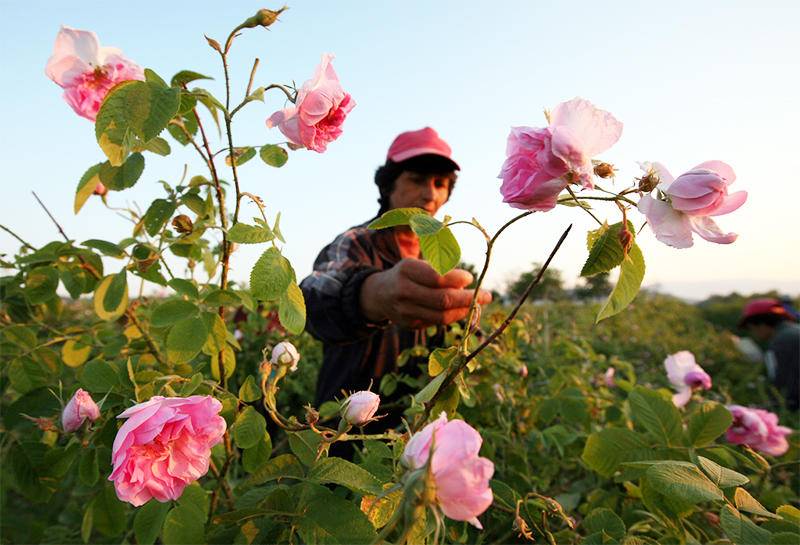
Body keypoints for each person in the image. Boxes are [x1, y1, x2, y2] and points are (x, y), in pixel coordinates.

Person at [300, 127, 492, 419]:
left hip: (413, 419)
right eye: (416, 180)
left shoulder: (440, 258)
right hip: (347, 417)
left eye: (440, 184)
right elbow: (313, 299)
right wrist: (369, 294)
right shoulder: (356, 242)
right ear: (388, 186)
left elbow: (460, 337)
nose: (430, 194)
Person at [739, 298, 800, 411]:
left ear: (761, 324)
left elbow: (783, 387)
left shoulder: (781, 342)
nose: (753, 333)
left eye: (751, 328)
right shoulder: (794, 331)